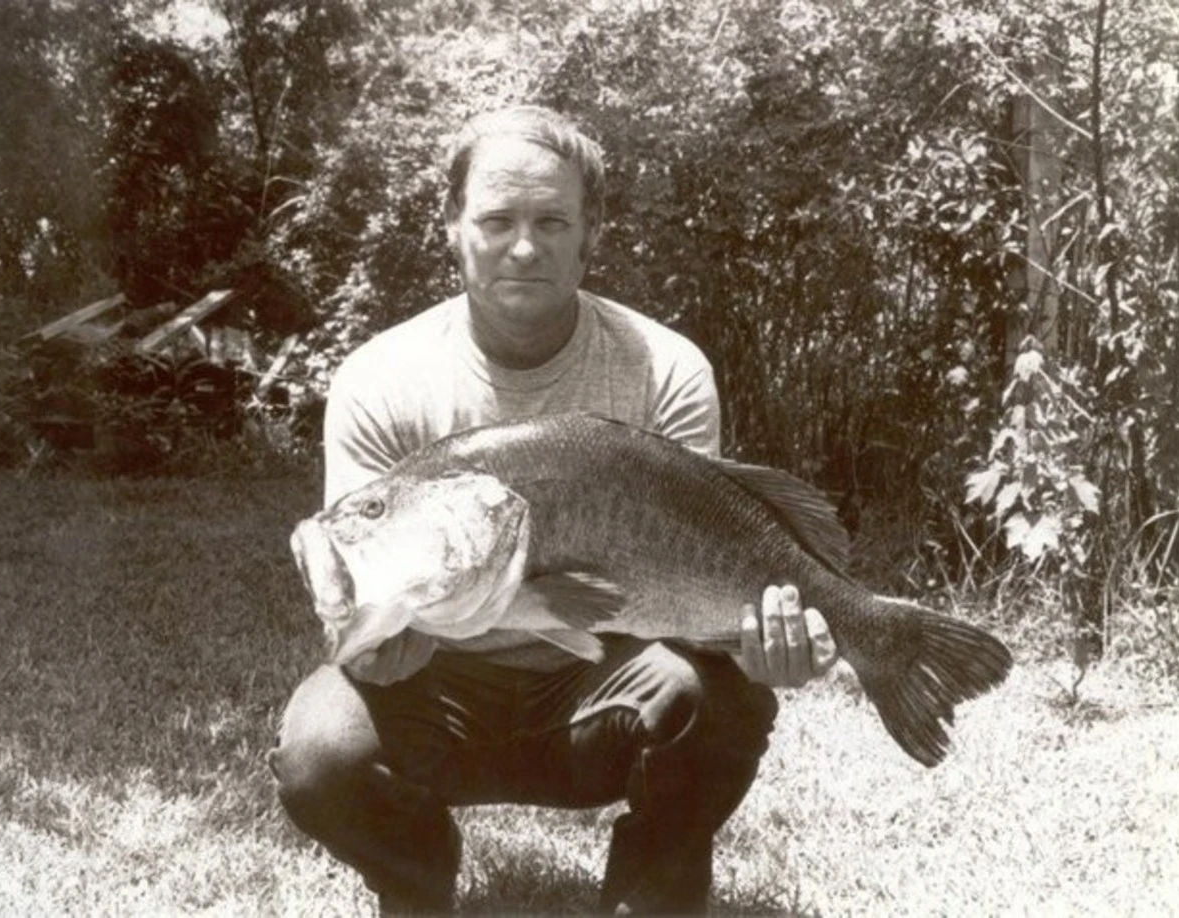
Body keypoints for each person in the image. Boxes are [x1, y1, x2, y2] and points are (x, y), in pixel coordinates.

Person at [269, 105, 838, 914]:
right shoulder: (379, 378)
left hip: (603, 689)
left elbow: (702, 572)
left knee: (721, 701)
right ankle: (417, 890)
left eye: (552, 220)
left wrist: (761, 644)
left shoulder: (665, 369)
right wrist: (367, 647)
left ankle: (654, 895)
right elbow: (356, 614)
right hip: (439, 690)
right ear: (452, 225)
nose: (524, 247)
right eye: (497, 219)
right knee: (321, 748)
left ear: (590, 231)